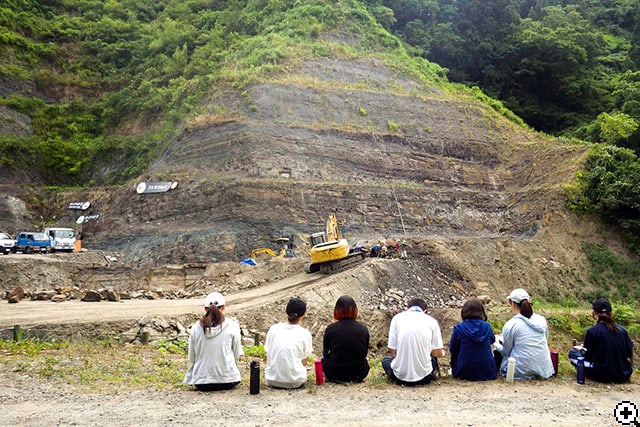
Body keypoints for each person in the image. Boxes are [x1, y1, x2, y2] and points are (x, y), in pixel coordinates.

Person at [183, 292, 243, 391]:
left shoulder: (196, 327)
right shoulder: (232, 325)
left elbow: (191, 357)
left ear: (205, 309)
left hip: (202, 382)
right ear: (223, 307)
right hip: (228, 380)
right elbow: (237, 355)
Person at [382, 297, 445, 386]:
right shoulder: (432, 321)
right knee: (433, 359)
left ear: (406, 309)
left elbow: (392, 351)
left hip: (399, 377)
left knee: (386, 360)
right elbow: (438, 353)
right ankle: (433, 374)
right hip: (425, 378)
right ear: (425, 311)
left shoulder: (397, 319)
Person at [568, 298, 633, 383]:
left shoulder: (592, 331)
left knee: (573, 353)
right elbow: (629, 352)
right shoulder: (622, 330)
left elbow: (588, 356)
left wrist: (582, 349)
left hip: (602, 375)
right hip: (624, 374)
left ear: (594, 313)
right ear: (611, 313)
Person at [494, 288, 554, 380]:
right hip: (544, 369)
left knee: (498, 351)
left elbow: (506, 351)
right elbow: (545, 339)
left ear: (512, 304)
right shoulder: (541, 320)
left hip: (520, 372)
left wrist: (496, 344)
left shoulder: (511, 324)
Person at [264, 297, 313, 389]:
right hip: (296, 381)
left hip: (272, 379)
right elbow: (303, 361)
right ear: (304, 314)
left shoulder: (274, 329)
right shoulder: (305, 333)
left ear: (286, 311)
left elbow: (268, 352)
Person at [322, 295, 370, 383]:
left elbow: (325, 353)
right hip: (359, 373)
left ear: (336, 310)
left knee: (323, 360)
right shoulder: (363, 329)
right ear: (355, 310)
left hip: (334, 373)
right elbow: (364, 353)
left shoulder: (330, 329)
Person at [449, 298, 497, 381]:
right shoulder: (487, 326)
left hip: (464, 371)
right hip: (487, 371)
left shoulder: (459, 328)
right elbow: (492, 340)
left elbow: (453, 349)